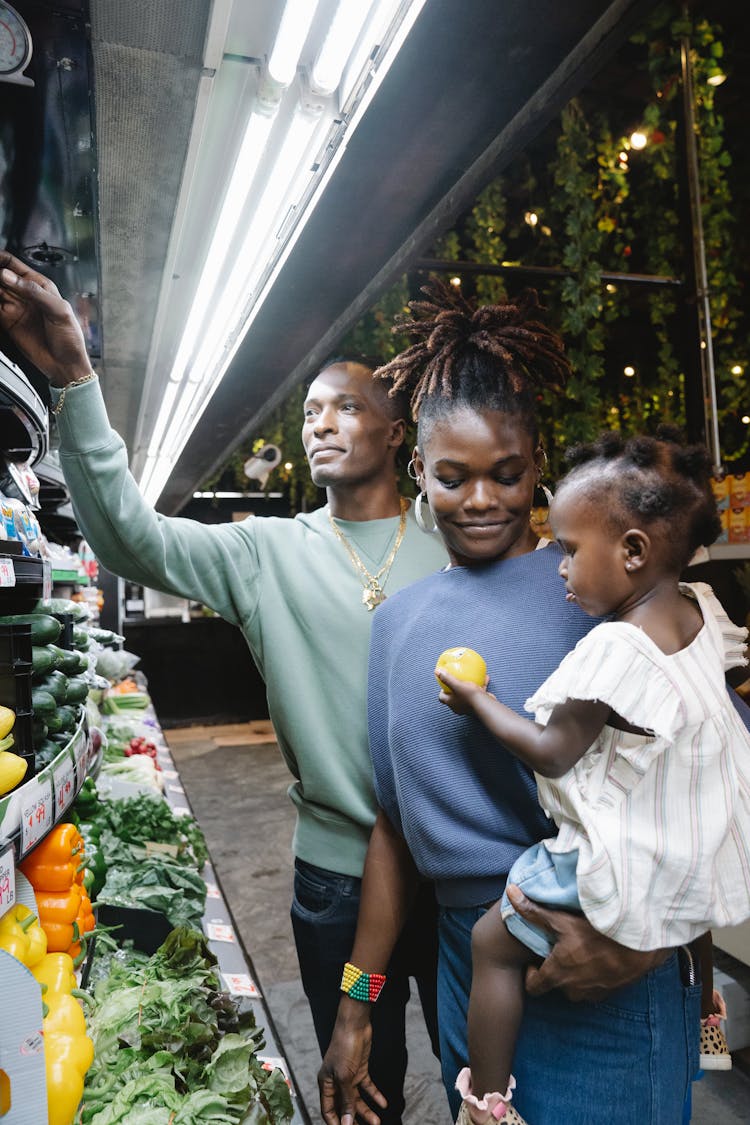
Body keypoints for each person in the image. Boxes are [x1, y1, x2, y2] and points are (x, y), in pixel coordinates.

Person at [0, 251, 449, 1125]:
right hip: (344, 885)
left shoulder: (458, 539)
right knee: (365, 1080)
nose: (321, 424)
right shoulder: (264, 551)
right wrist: (78, 381)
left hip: (457, 875)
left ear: (398, 430)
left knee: (483, 1068)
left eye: (347, 407)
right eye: (310, 410)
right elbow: (132, 536)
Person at [318, 282, 715, 1125]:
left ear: (539, 463)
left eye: (508, 473)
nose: (484, 500)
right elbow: (393, 833)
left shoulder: (606, 595)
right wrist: (356, 1004)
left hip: (611, 952)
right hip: (475, 968)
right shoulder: (398, 627)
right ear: (417, 469)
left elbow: (714, 774)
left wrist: (647, 943)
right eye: (454, 477)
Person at [434, 429, 750, 1125]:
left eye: (571, 550)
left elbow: (551, 750)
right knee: (685, 902)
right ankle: (705, 1013)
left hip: (624, 856)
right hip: (694, 837)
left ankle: (485, 1104)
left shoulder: (614, 648)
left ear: (633, 551)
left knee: (491, 941)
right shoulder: (701, 611)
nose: (560, 567)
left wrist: (477, 700)